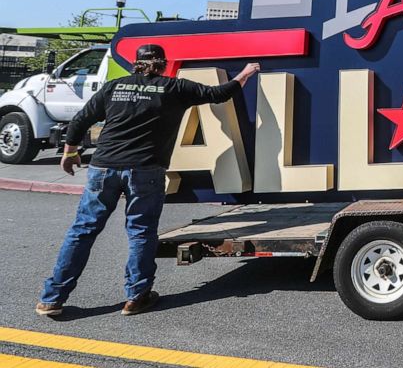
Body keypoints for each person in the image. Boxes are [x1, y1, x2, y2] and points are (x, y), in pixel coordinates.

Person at [36, 44, 260, 317]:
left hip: (103, 168)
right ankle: (136, 297)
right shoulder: (174, 88)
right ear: (163, 64)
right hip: (145, 170)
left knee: (82, 231)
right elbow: (218, 94)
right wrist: (245, 74)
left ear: (135, 63)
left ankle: (52, 298)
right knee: (141, 233)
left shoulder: (114, 87)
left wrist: (70, 153)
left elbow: (81, 120)